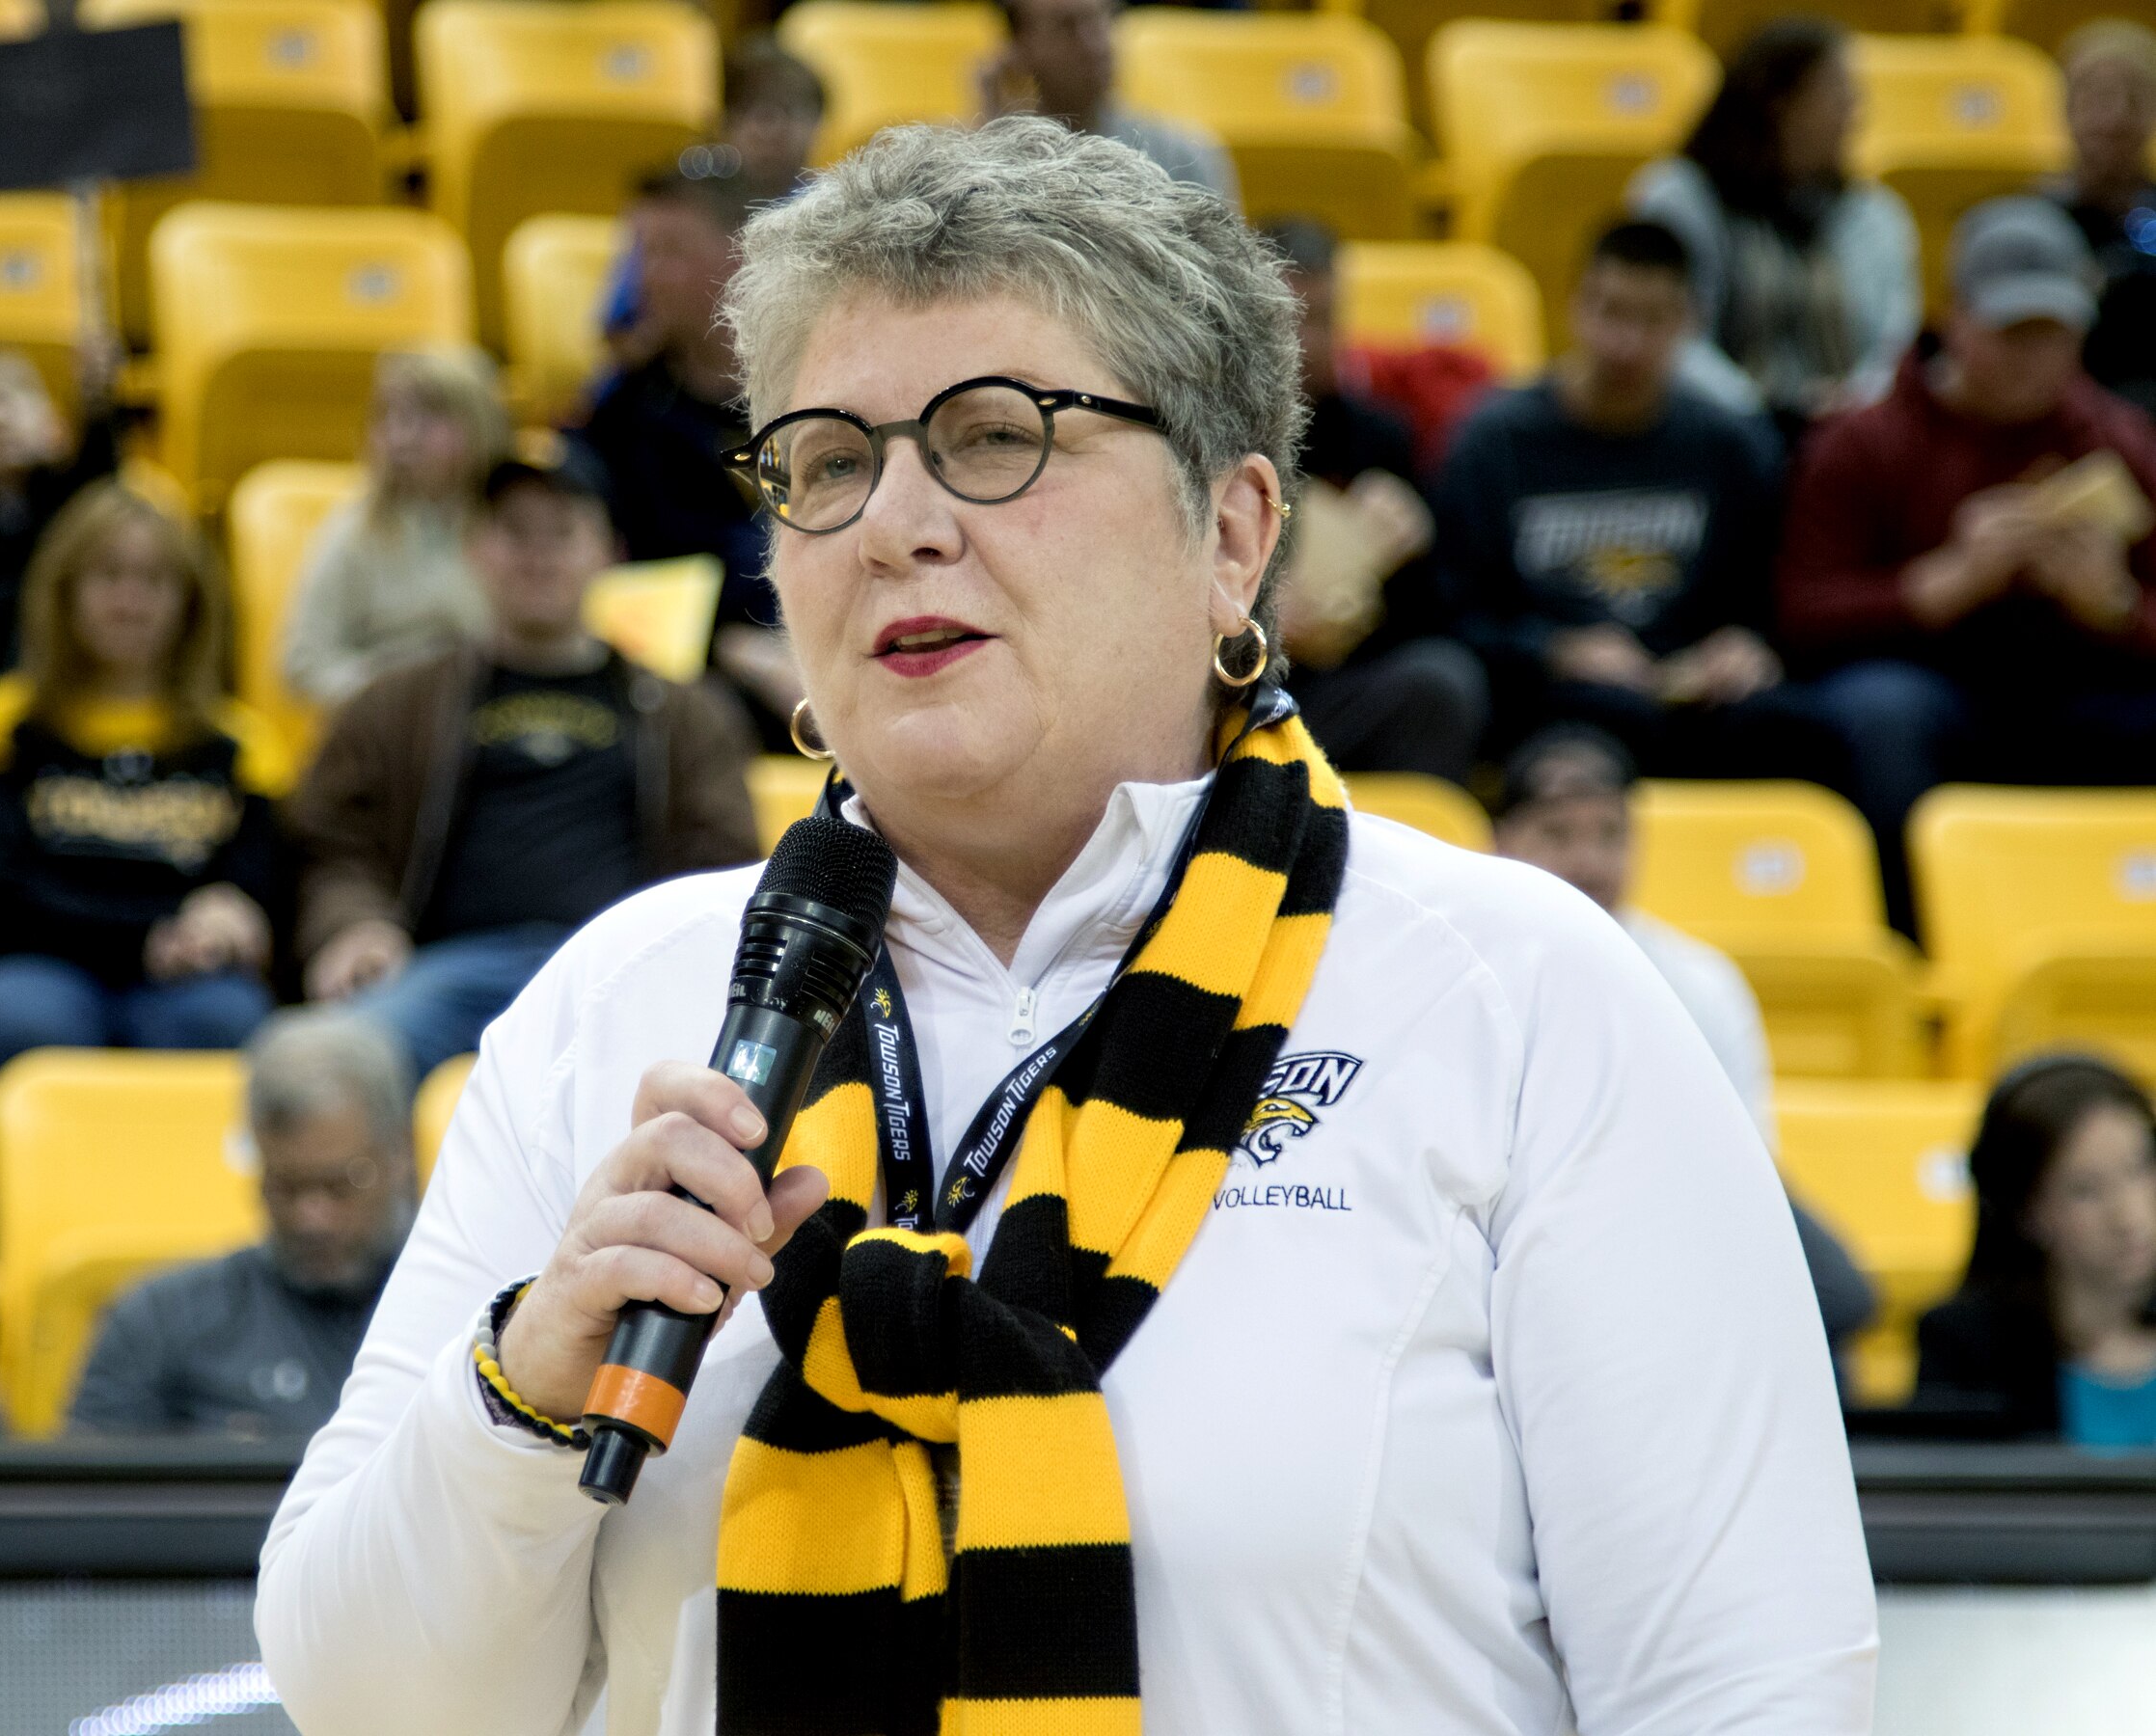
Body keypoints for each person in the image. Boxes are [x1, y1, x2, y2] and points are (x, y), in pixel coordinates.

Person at [259, 121, 1873, 1736]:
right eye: (824, 460)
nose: (891, 522)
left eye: (993, 434)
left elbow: (1748, 1693)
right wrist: (527, 1394)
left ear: (1234, 534)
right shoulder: (620, 1006)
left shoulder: (1519, 999)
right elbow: (361, 1703)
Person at [289, 448, 759, 1083]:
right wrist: (355, 925)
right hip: (441, 971)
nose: (537, 554)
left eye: (561, 533)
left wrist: (666, 969)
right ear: (474, 549)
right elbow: (330, 843)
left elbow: (722, 867)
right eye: (514, 532)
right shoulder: (392, 704)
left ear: (610, 552)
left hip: (613, 977)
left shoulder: (688, 716)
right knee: (327, 1064)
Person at [1777, 196, 2156, 936]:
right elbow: (1799, 612)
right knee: (1881, 711)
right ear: (1955, 320)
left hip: (2080, 684)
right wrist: (1936, 587)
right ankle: (1917, 939)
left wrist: (2114, 605)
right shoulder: (1863, 443)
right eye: (2012, 332)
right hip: (1931, 686)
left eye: (2054, 334)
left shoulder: (2124, 441)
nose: (2033, 356)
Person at [1489, 722, 1875, 1361]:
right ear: (1500, 841)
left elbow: (1745, 1160)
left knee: (1833, 1293)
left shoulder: (1701, 980)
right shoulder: (1464, 974)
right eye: (1557, 835)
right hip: (1523, 1219)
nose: (1588, 861)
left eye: (1610, 835)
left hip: (1674, 1214)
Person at [1440, 220, 1825, 779]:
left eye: (1652, 319)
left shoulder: (1733, 446)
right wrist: (1555, 649)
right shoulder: (1494, 441)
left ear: (1689, 321)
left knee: (1789, 728)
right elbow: (1455, 615)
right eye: (1611, 313)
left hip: (1697, 694)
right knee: (1603, 720)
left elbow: (1771, 599)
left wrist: (1747, 646)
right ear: (1574, 307)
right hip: (1555, 698)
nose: (1627, 343)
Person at [0, 485, 287, 1079]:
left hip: (185, 983)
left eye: (154, 581)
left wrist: (231, 920)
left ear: (191, 603)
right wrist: (147, 936)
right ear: (63, 592)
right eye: (108, 576)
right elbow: (2, 894)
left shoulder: (243, 745)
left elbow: (253, 888)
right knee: (26, 1023)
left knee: (227, 1022)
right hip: (37, 966)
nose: (130, 600)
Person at [69, 1010, 417, 1438]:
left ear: (402, 1154)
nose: (312, 1217)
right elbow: (84, 1496)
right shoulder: (160, 1323)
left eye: (340, 1183)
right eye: (286, 1185)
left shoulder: (474, 1319)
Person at [579, 166, 804, 750]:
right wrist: (735, 647)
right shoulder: (624, 414)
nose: (646, 277)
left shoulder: (814, 390)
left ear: (740, 260)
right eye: (642, 254)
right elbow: (617, 583)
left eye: (670, 252)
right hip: (694, 682)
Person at [1264, 217, 1487, 786]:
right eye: (1289, 320)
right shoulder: (1203, 438)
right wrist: (1256, 623)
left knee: (1444, 681)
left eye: (1325, 319)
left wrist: (1413, 548)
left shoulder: (1379, 438)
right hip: (1239, 687)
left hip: (1340, 694)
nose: (1308, 342)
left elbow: (1436, 619)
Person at [1628, 16, 1920, 427]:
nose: (1855, 113)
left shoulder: (1875, 214)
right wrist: (1767, 408)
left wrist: (1853, 403)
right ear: (1779, 103)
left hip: (1844, 433)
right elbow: (1675, 338)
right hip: (1717, 429)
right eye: (1837, 93)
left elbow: (1894, 345)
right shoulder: (1681, 196)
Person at [1915, 1054, 2156, 1446]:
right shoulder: (1966, 1351)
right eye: (2085, 1190)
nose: (2129, 1217)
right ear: (2027, 1212)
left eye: (2140, 1168)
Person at [281, 347, 505, 708]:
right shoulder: (354, 529)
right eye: (388, 416)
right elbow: (303, 664)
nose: (402, 437)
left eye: (429, 416)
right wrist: (394, 692)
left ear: (479, 424)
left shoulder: (511, 523)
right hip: (386, 725)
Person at [602, 37, 830, 364]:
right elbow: (620, 332)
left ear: (819, 123)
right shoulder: (676, 211)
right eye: (751, 110)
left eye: (791, 110)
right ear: (723, 122)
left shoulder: (834, 213)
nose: (770, 127)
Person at [0, 342, 124, 693]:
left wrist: (96, 401)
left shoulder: (75, 506)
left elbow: (100, 484)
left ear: (54, 425)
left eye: (15, 396)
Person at [980, 0, 1237, 207]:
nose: (1092, 43)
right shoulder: (993, 158)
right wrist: (996, 137)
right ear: (1019, 46)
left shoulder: (1184, 155)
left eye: (1099, 19)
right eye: (1066, 27)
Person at [2049, 20, 2156, 417]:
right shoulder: (2031, 219)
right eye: (2096, 95)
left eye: (2134, 98)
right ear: (2065, 107)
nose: (2114, 117)